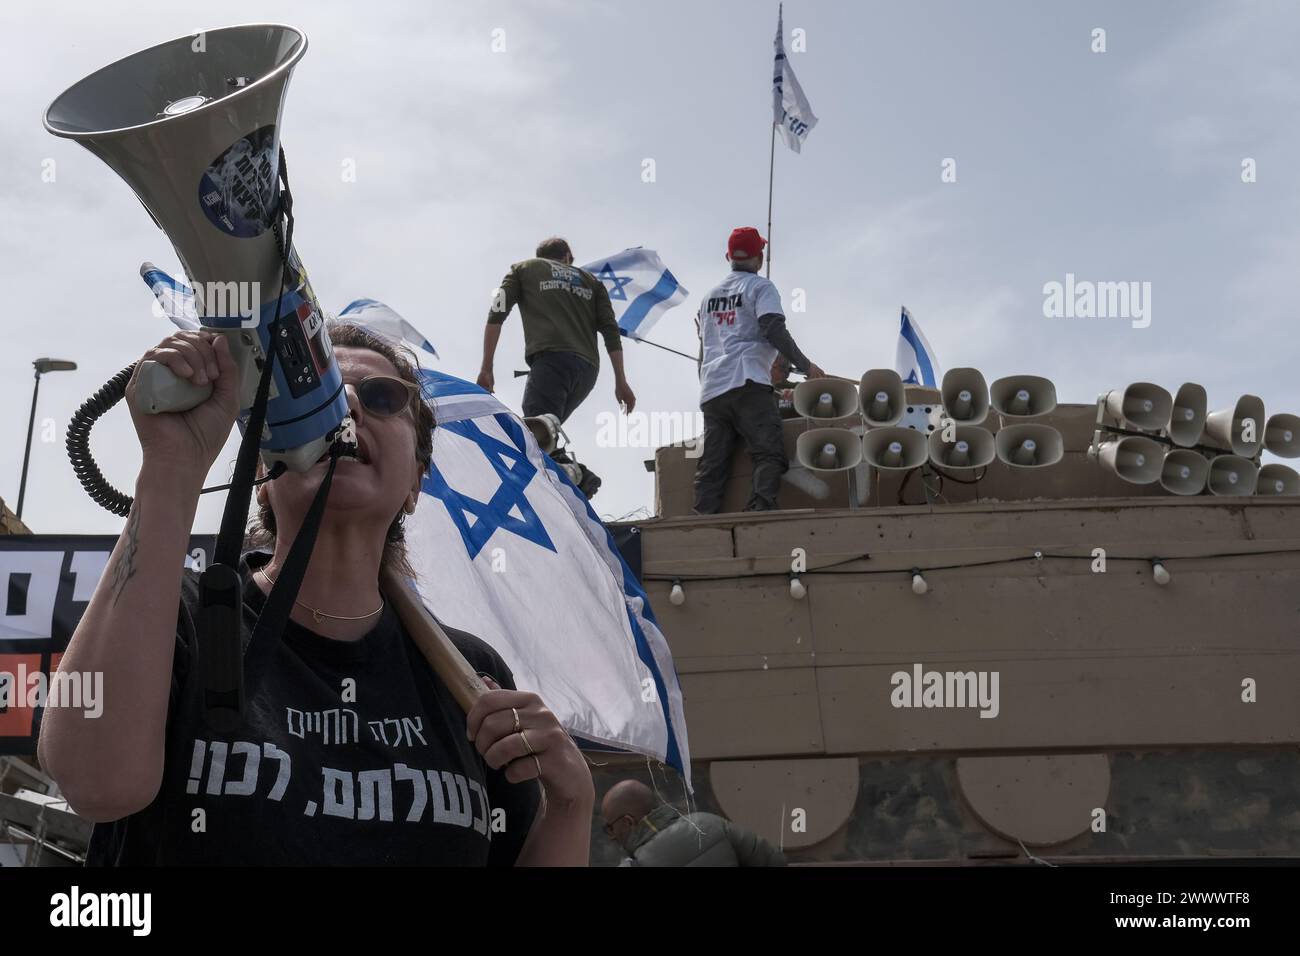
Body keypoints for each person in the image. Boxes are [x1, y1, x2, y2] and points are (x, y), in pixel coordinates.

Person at [39, 322, 594, 865]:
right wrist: (171, 466)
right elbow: (96, 783)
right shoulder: (180, 617)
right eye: (315, 395)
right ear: (261, 467)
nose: (346, 405)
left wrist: (570, 806)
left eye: (381, 397)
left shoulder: (469, 674)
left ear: (415, 482)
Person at [477, 237, 636, 498]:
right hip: (586, 371)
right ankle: (563, 475)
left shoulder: (523, 269)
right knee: (546, 432)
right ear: (567, 257)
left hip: (551, 360)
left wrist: (486, 368)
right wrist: (621, 381)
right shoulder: (591, 282)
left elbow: (497, 313)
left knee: (536, 429)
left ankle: (577, 475)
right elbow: (610, 331)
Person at [694, 227, 824, 514]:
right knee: (770, 454)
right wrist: (806, 365)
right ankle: (759, 513)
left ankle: (701, 522)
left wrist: (706, 383)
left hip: (713, 391)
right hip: (748, 383)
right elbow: (773, 328)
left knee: (713, 464)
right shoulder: (760, 288)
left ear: (728, 255)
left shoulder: (708, 298)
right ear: (759, 257)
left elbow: (703, 352)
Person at [600, 780, 787, 867]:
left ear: (628, 822)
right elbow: (775, 861)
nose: (612, 835)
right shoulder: (708, 822)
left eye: (610, 828)